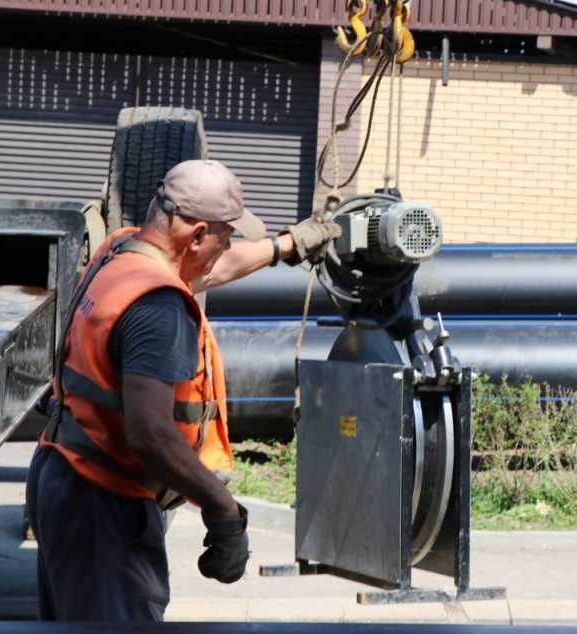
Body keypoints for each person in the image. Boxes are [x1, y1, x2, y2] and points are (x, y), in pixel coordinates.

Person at [25, 159, 340, 621]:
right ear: (194, 235)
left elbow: (209, 268)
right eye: (225, 234)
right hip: (104, 505)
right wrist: (222, 507)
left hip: (61, 475)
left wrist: (284, 247)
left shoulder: (120, 253)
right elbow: (150, 434)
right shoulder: (159, 309)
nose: (230, 244)